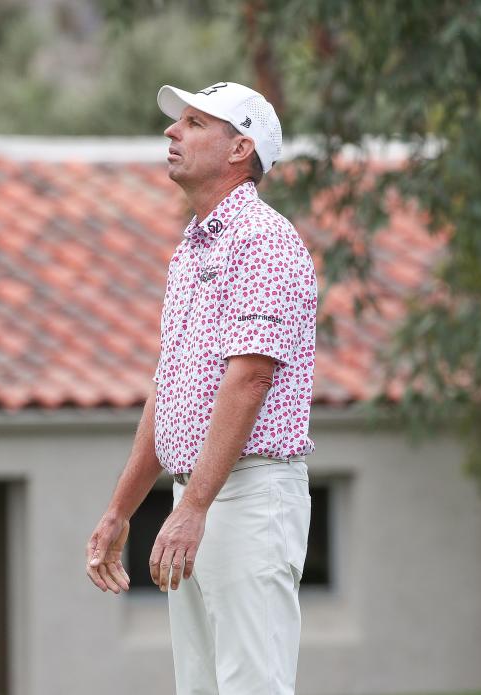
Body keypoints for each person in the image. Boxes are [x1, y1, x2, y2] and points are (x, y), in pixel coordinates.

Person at [85, 81, 318, 695]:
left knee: (252, 687)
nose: (171, 132)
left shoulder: (263, 241)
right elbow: (171, 391)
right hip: (203, 500)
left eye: (193, 123)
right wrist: (120, 511)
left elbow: (250, 379)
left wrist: (191, 509)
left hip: (249, 500)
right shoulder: (192, 250)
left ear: (240, 148)